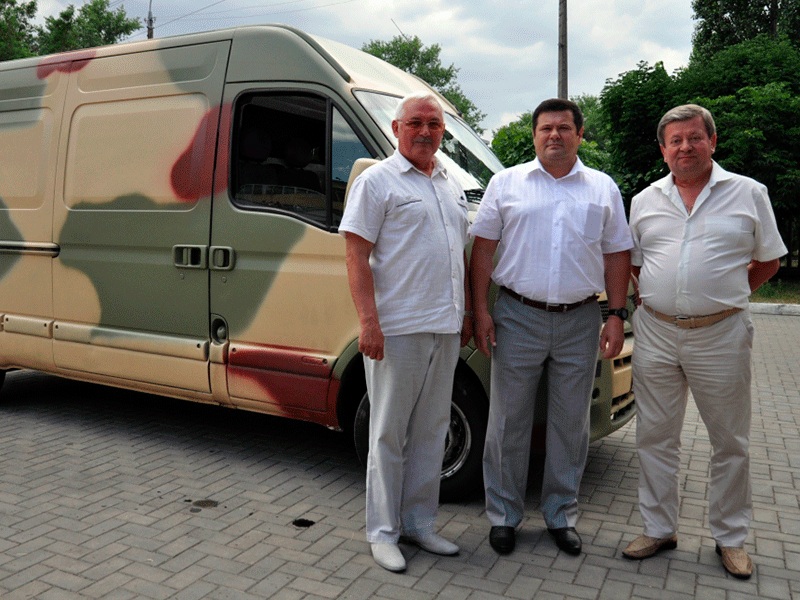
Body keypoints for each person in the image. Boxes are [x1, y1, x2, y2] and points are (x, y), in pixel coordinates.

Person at [623, 104, 787, 578]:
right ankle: (659, 528)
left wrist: (725, 298)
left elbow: (769, 261)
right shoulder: (644, 200)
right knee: (655, 436)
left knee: (730, 441)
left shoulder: (748, 193)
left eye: (694, 138)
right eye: (675, 141)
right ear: (663, 150)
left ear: (712, 141)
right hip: (655, 332)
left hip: (721, 334)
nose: (685, 147)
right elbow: (634, 263)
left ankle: (730, 539)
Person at [470, 98, 633, 556]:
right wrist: (480, 311)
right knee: (508, 420)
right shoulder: (506, 183)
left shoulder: (602, 188)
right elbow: (483, 250)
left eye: (564, 128)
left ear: (580, 134)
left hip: (581, 318)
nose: (554, 135)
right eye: (545, 128)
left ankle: (561, 515)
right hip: (517, 315)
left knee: (570, 424)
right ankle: (504, 516)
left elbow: (617, 253)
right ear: (535, 135)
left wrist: (616, 315)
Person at [338, 91, 472, 572]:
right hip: (397, 329)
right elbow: (355, 255)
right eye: (415, 122)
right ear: (396, 129)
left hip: (445, 327)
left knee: (432, 432)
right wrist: (368, 322)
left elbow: (457, 254)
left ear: (443, 131)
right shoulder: (377, 181)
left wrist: (465, 315)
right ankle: (382, 532)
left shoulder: (450, 183)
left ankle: (419, 524)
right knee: (389, 434)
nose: (425, 131)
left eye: (434, 124)